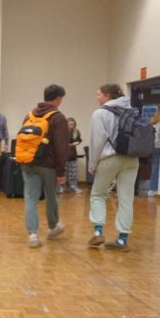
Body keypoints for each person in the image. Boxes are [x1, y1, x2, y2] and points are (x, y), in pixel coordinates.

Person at [87, 83, 139, 251]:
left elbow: (97, 141)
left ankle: (97, 232)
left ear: (108, 95)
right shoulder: (131, 111)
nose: (97, 97)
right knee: (126, 199)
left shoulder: (100, 113)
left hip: (110, 158)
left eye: (99, 94)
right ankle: (122, 240)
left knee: (98, 194)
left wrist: (93, 164)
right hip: (132, 159)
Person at [20, 84, 69, 248]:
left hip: (28, 162)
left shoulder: (29, 115)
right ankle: (53, 227)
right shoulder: (58, 117)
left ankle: (33, 235)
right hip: (48, 165)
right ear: (58, 98)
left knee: (30, 198)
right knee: (51, 197)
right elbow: (61, 147)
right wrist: (61, 171)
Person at [62, 117, 83, 194]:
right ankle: (62, 187)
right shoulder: (62, 131)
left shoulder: (76, 132)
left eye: (73, 124)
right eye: (70, 124)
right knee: (62, 172)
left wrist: (74, 144)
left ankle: (73, 187)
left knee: (73, 173)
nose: (71, 126)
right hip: (63, 156)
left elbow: (79, 140)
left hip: (72, 155)